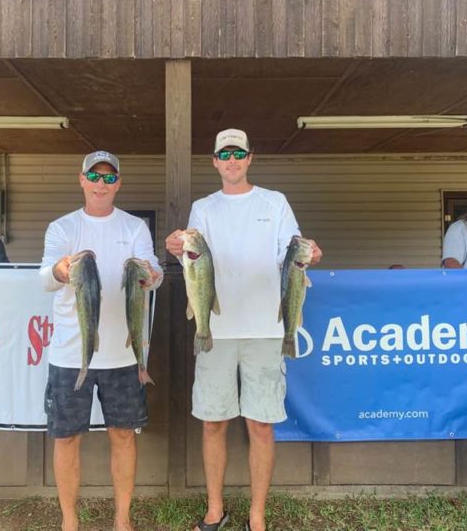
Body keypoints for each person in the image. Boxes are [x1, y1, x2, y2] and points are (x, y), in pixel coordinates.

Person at [165, 129, 322, 531]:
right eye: (224, 154)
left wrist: (309, 254)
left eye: (238, 153)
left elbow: (292, 253)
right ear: (214, 161)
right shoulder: (203, 208)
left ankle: (257, 515)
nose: (231, 160)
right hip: (214, 328)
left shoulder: (275, 202)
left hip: (267, 329)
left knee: (261, 423)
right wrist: (177, 245)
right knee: (213, 421)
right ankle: (215, 510)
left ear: (250, 158)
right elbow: (192, 256)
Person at [39, 150, 162, 531]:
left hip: (124, 355)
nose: (101, 184)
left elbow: (152, 271)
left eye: (109, 178)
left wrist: (150, 275)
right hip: (69, 354)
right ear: (81, 180)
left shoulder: (134, 228)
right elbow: (44, 278)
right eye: (95, 177)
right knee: (66, 438)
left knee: (123, 436)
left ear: (118, 184)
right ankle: (69, 521)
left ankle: (121, 520)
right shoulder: (61, 228)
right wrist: (61, 270)